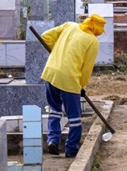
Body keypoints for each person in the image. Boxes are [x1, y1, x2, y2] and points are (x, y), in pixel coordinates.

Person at [40, 14, 105, 157]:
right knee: (74, 117)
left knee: (55, 109)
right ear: (96, 28)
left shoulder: (69, 25)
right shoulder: (92, 41)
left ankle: (53, 140)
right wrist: (82, 86)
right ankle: (71, 148)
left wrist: (56, 52)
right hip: (69, 79)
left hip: (51, 73)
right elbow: (86, 69)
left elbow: (45, 36)